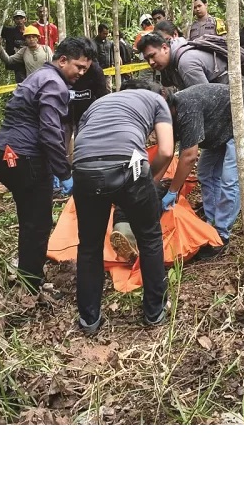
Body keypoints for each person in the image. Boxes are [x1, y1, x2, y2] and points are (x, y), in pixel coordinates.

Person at [0, 37, 94, 292]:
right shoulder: (54, 83)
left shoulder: (39, 77)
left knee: (29, 219)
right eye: (78, 67)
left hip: (3, 153)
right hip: (25, 157)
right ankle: (31, 285)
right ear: (62, 60)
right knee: (38, 222)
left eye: (85, 69)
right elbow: (49, 131)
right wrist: (64, 171)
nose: (81, 73)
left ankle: (27, 273)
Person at [71, 83, 176, 335]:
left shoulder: (97, 104)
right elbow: (166, 149)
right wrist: (148, 181)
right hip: (129, 166)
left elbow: (73, 145)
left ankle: (89, 320)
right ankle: (154, 313)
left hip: (84, 169)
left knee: (89, 246)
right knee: (150, 237)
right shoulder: (156, 99)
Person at [159, 82, 244, 254]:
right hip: (218, 127)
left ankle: (221, 236)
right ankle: (211, 221)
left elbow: (189, 156)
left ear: (169, 106)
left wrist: (173, 190)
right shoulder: (167, 116)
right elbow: (167, 152)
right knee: (206, 173)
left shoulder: (186, 108)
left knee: (230, 179)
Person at [136, 32, 229, 92]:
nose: (151, 62)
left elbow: (206, 99)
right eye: (147, 59)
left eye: (152, 56)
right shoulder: (170, 63)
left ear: (164, 48)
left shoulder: (186, 64)